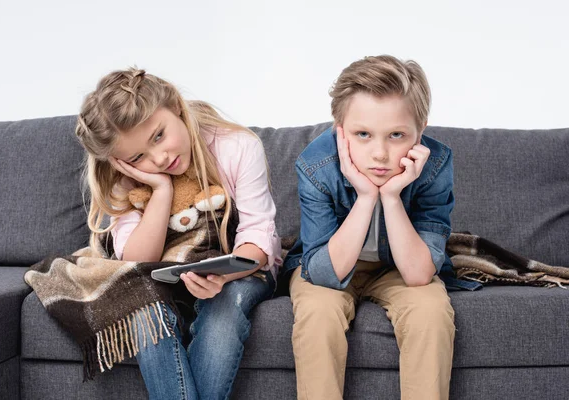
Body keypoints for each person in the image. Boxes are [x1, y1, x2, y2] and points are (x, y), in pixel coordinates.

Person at [75, 67, 281, 400]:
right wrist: (160, 190)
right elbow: (138, 261)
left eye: (159, 136)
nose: (160, 158)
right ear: (119, 162)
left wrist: (224, 277)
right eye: (138, 157)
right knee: (141, 311)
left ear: (176, 106)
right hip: (166, 274)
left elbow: (258, 235)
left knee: (223, 314)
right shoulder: (125, 181)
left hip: (242, 267)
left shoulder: (237, 146)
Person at [283, 55, 456, 400]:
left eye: (396, 135)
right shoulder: (317, 165)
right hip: (331, 262)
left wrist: (391, 197)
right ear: (340, 131)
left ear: (420, 132)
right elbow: (322, 272)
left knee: (431, 311)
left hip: (399, 267)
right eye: (362, 134)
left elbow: (419, 274)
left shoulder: (435, 164)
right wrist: (365, 198)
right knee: (318, 314)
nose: (380, 153)